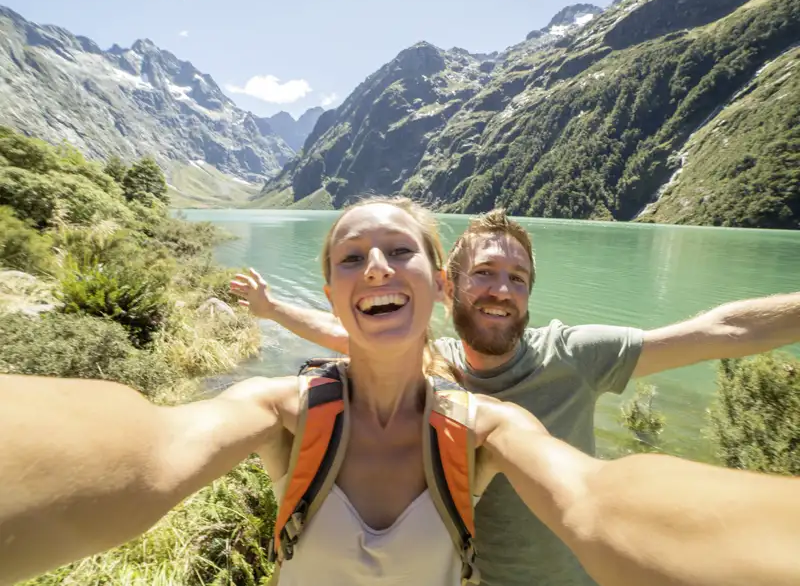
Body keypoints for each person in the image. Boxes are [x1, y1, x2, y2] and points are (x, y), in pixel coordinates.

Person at [1, 197, 800, 586]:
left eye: (397, 251)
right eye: (352, 257)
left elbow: (596, 496)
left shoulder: (490, 417)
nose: (376, 268)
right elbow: (147, 445)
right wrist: (275, 311)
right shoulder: (283, 410)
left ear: (432, 281)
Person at [231, 208, 800, 586]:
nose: (502, 291)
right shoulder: (433, 362)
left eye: (518, 279)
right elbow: (343, 330)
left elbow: (723, 331)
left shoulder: (576, 354)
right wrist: (272, 308)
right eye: (485, 273)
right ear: (447, 287)